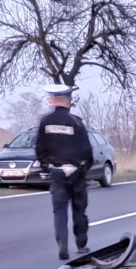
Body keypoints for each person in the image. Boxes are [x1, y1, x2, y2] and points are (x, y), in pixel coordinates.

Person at [34, 84, 93, 259]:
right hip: (76, 172)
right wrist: (84, 168)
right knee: (79, 209)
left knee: (59, 211)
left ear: (53, 100)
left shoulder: (45, 122)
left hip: (57, 172)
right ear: (67, 100)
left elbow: (40, 148)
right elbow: (87, 150)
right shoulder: (76, 122)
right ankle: (81, 245)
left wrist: (46, 167)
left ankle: (62, 243)